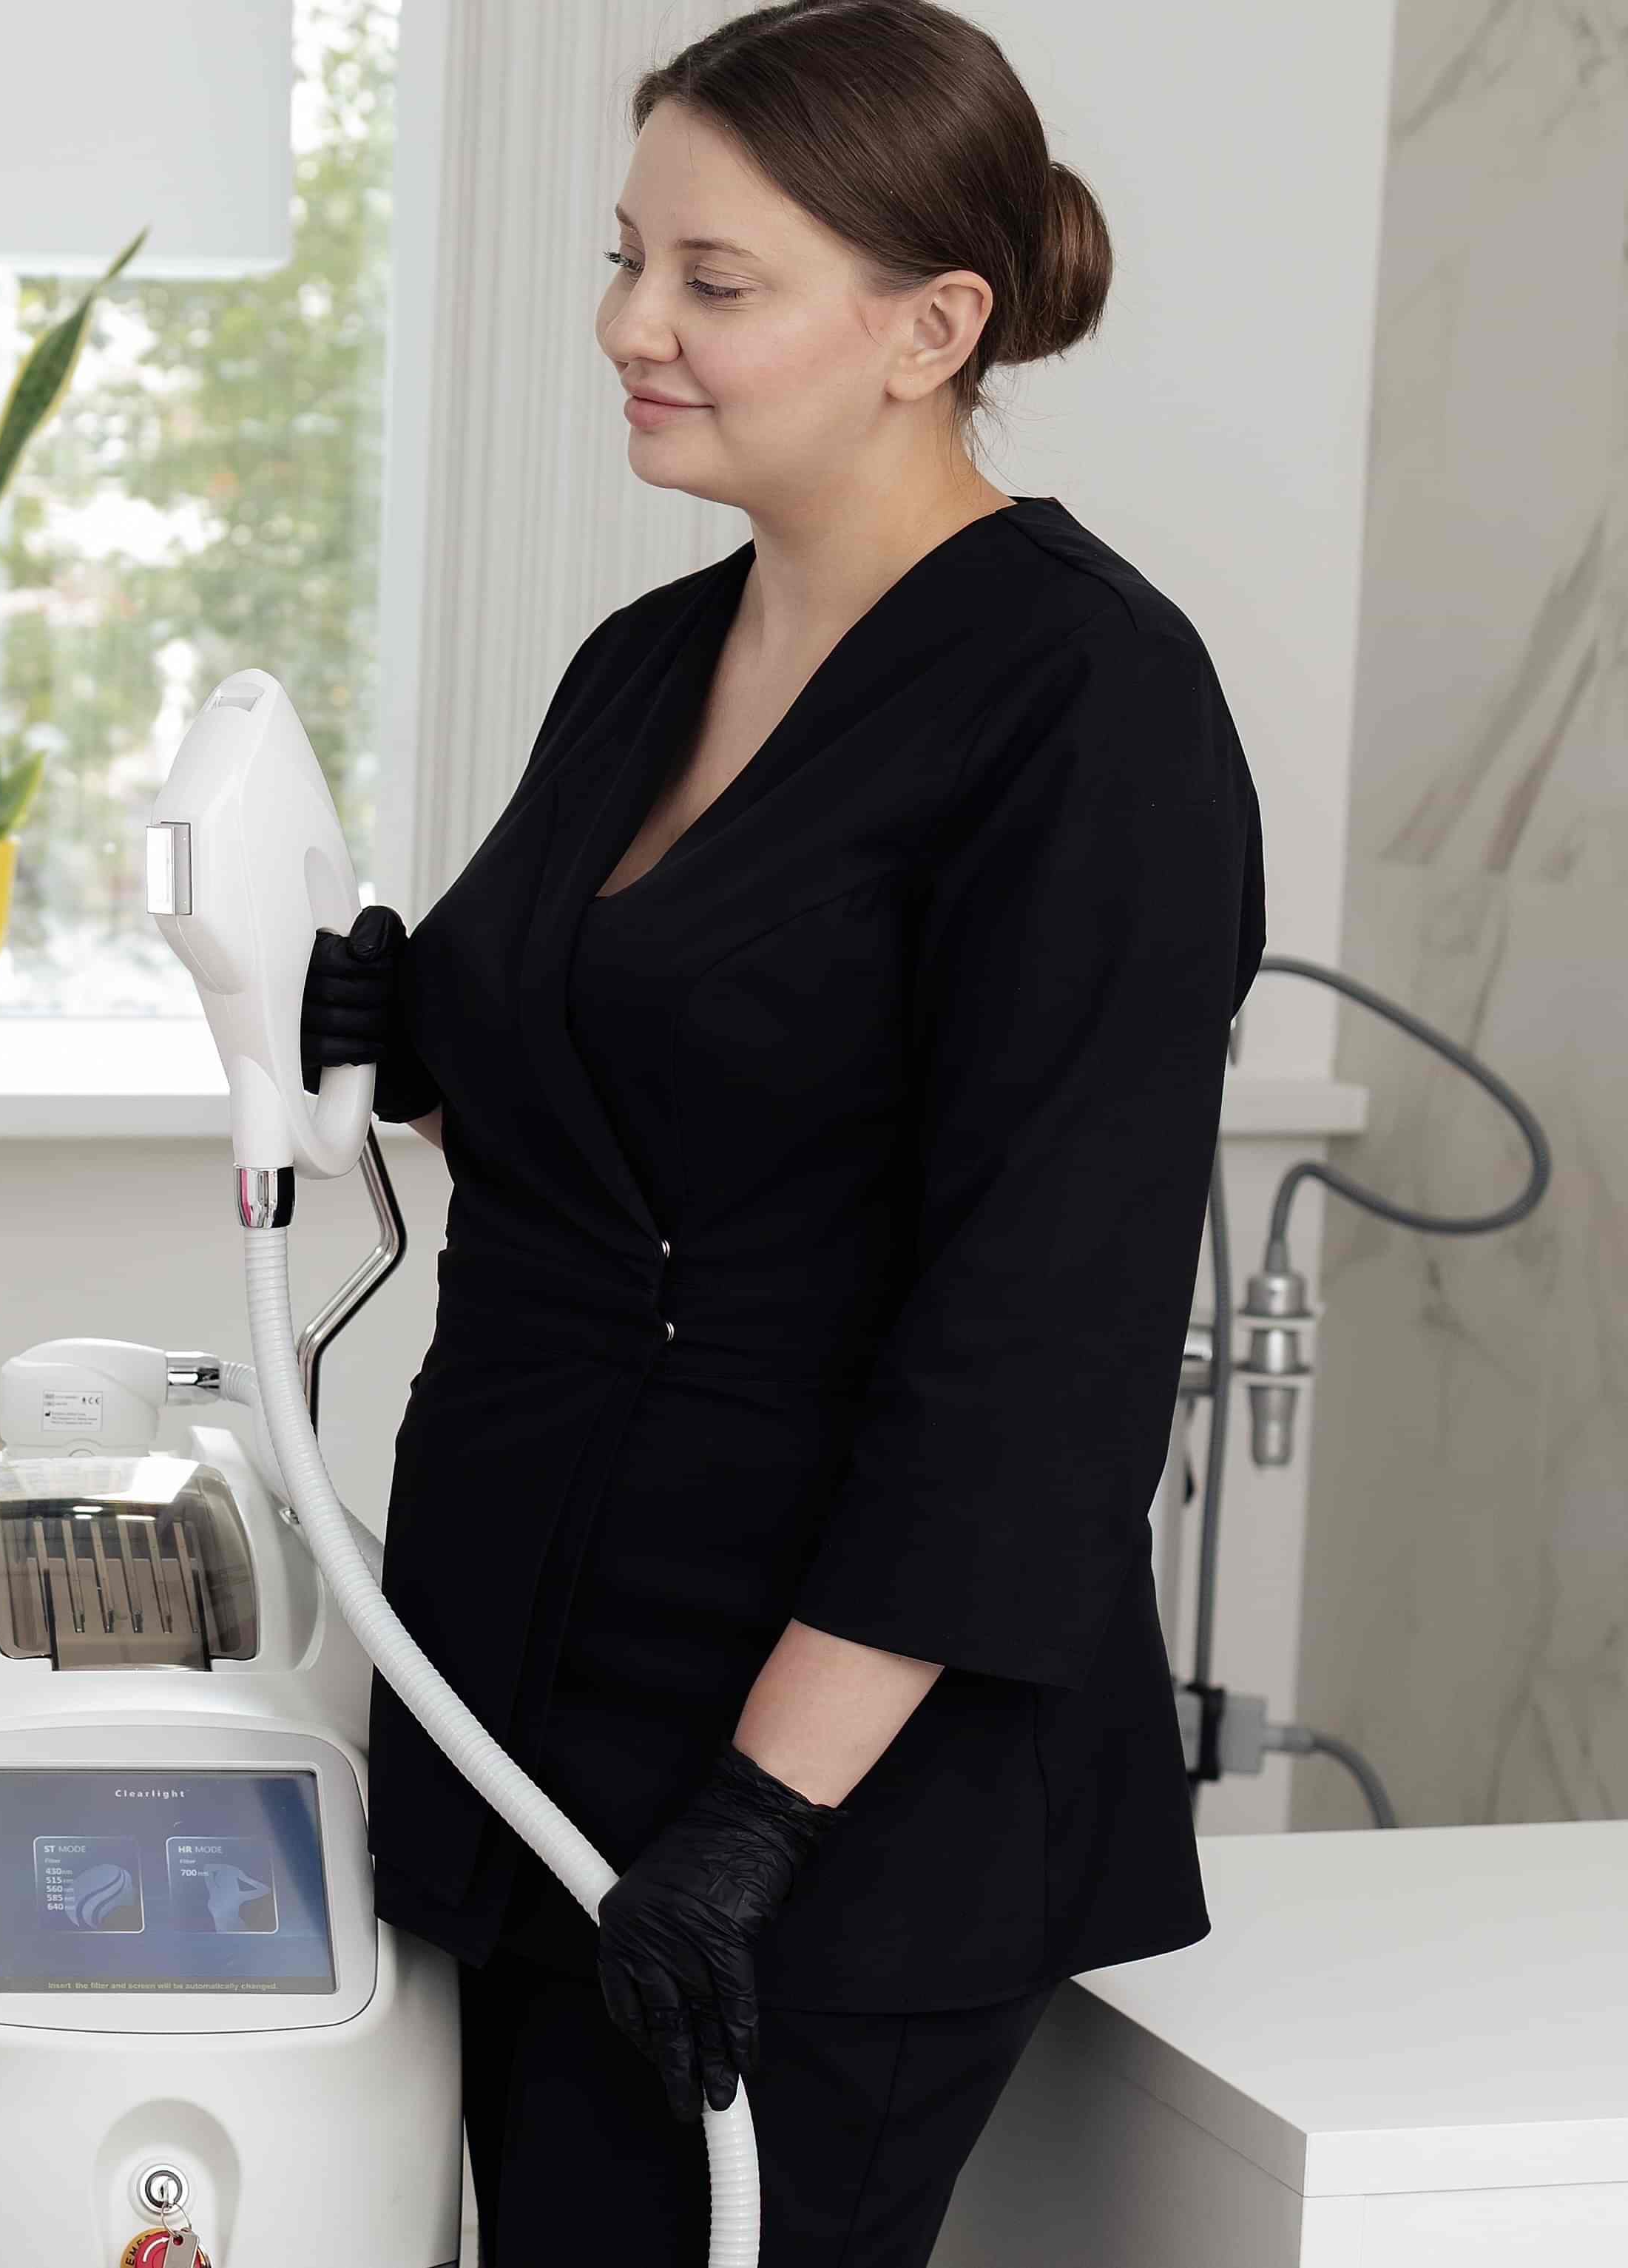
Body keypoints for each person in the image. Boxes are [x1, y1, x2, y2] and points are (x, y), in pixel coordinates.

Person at [300, 5, 1265, 2262]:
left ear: (929, 328)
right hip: (521, 1696)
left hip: (823, 1784)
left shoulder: (1086, 707)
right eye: (621, 257)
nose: (627, 326)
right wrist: (401, 1034)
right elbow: (645, 1113)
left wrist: (757, 1814)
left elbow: (1033, 1341)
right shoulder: (649, 662)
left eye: (709, 281)